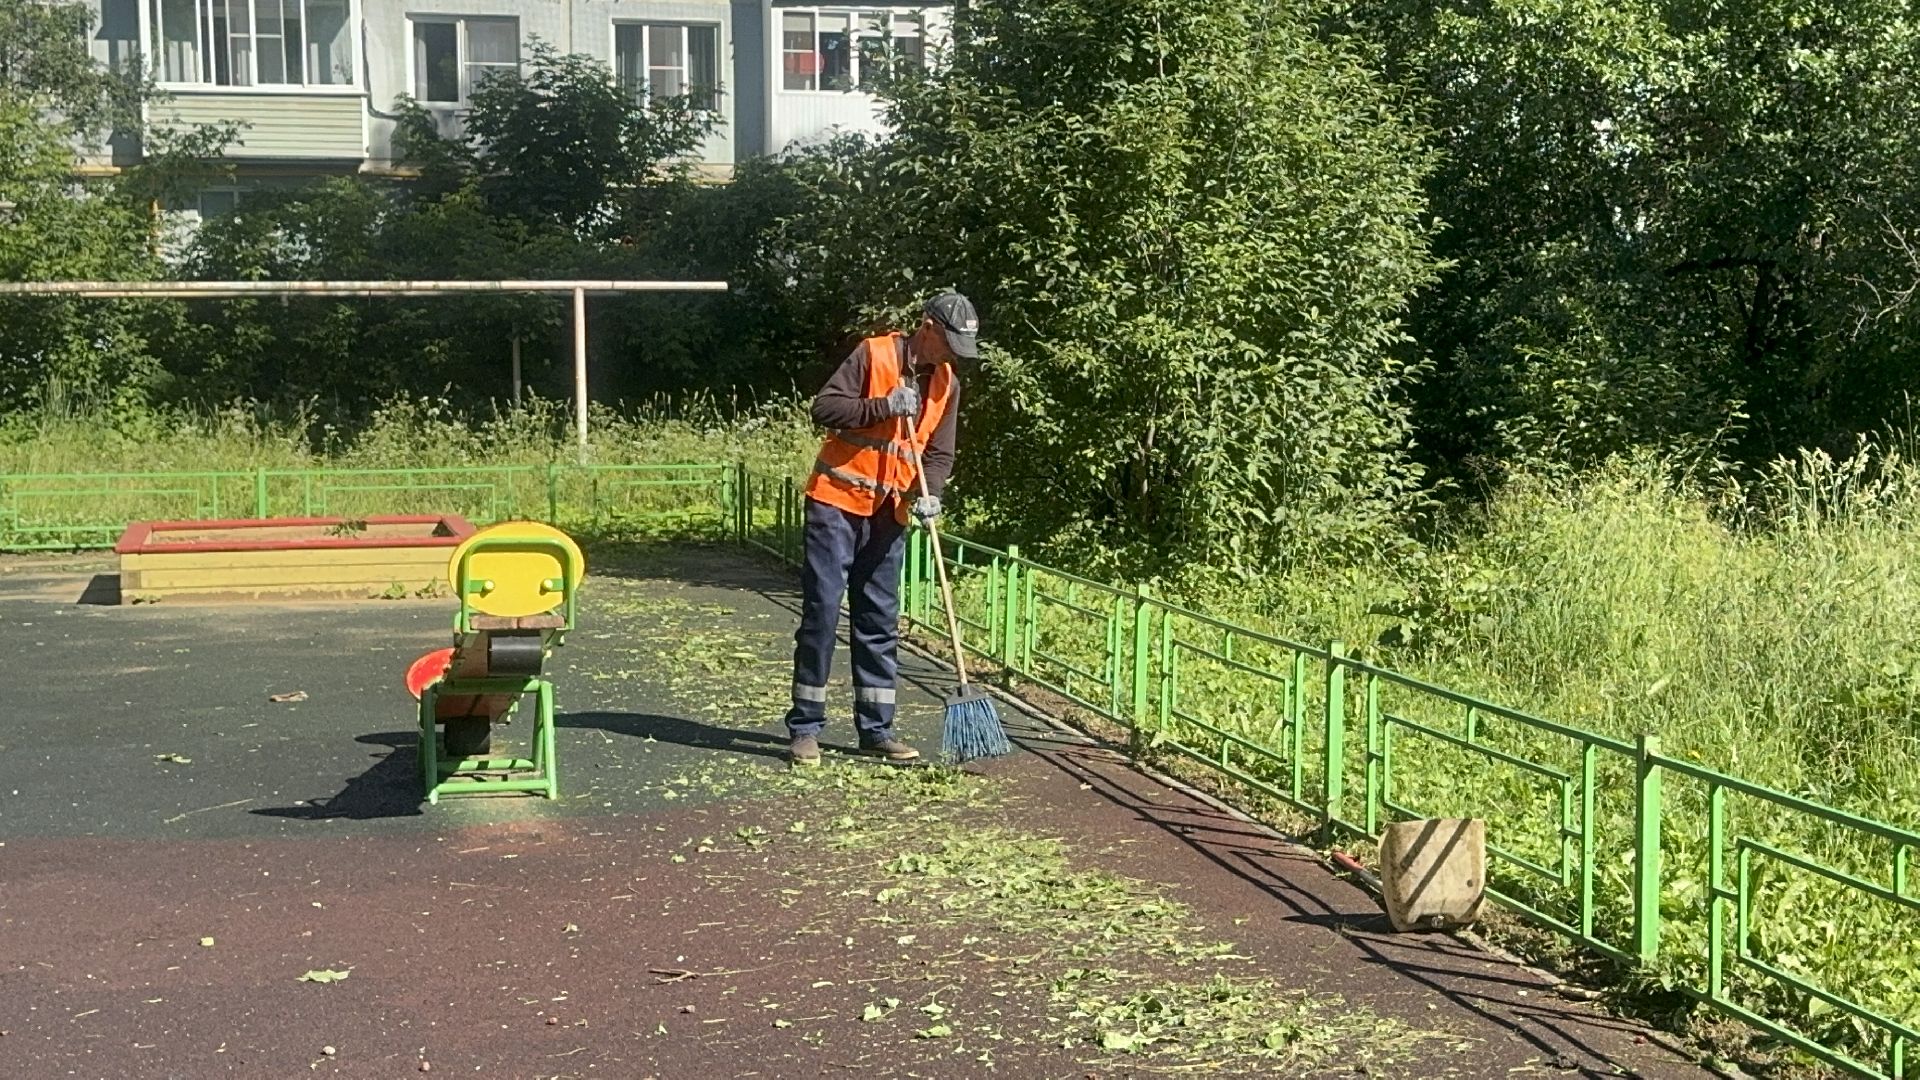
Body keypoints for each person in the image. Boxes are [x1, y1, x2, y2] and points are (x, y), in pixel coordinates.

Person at [783, 291, 979, 767]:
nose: (952, 355)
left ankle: (876, 729)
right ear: (927, 327)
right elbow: (825, 409)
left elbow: (938, 454)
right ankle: (805, 728)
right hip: (836, 503)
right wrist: (884, 405)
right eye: (949, 343)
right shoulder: (874, 354)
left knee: (878, 622)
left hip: (888, 511)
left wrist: (929, 493)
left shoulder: (947, 384)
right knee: (823, 612)